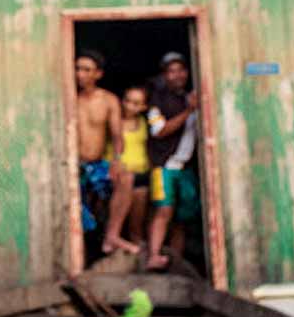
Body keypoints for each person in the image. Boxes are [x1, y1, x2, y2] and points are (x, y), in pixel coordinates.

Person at [75, 50, 139, 255]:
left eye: (86, 69)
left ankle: (112, 235)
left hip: (97, 164)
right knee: (81, 216)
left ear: (98, 74)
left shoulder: (108, 100)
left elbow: (117, 136)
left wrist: (117, 160)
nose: (80, 74)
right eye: (78, 68)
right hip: (74, 165)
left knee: (126, 179)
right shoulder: (69, 99)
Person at [146, 51, 201, 270]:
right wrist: (189, 110)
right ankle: (153, 255)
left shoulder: (191, 97)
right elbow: (159, 131)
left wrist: (191, 106)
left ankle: (175, 260)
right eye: (171, 71)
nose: (177, 75)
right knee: (164, 211)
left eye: (181, 70)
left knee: (182, 216)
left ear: (187, 73)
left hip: (186, 168)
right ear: (164, 75)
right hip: (164, 167)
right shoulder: (156, 101)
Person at [115, 86, 152, 245]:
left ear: (144, 107)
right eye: (127, 101)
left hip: (142, 173)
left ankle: (136, 249)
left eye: (136, 103)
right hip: (120, 176)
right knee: (117, 217)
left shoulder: (145, 122)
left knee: (138, 219)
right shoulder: (114, 121)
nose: (129, 106)